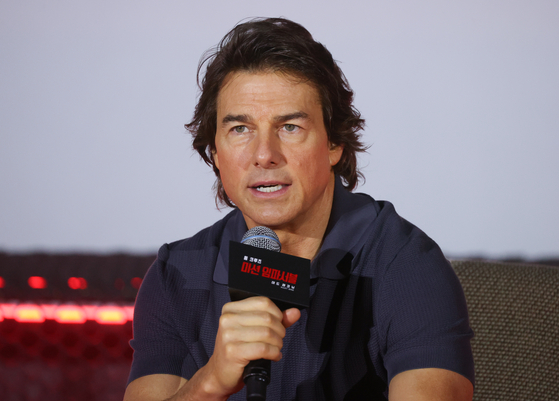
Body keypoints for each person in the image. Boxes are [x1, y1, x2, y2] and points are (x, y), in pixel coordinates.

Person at [123, 17, 474, 401]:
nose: (264, 155)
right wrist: (210, 382)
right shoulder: (176, 276)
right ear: (215, 154)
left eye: (289, 127)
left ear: (335, 144)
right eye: (240, 129)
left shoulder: (406, 267)